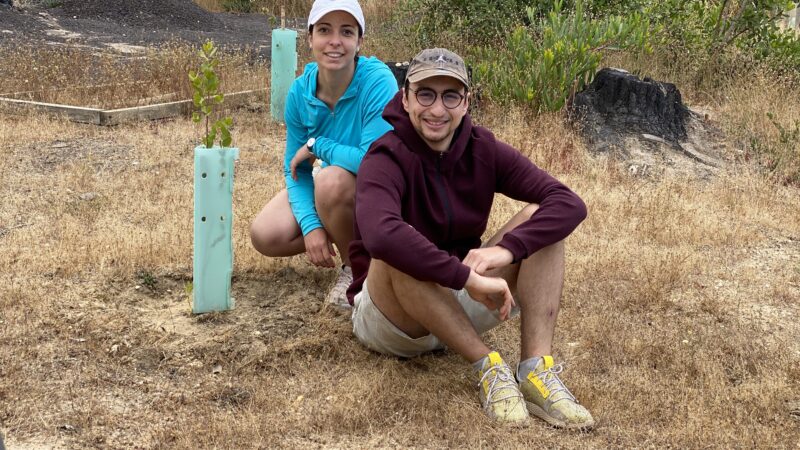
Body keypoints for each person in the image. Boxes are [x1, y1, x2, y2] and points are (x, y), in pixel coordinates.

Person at [347, 48, 595, 429]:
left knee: (541, 221)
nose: (437, 109)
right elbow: (381, 235)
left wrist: (505, 250)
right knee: (398, 245)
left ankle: (535, 370)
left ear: (466, 102)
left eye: (451, 95)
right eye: (426, 93)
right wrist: (467, 278)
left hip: (456, 304)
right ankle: (488, 366)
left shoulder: (484, 149)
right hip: (392, 320)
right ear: (406, 98)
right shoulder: (385, 157)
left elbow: (568, 202)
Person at [250, 0, 398, 307]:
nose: (335, 41)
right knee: (265, 234)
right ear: (310, 38)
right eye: (324, 30)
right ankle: (339, 226)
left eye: (346, 32)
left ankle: (356, 272)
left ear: (360, 42)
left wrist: (318, 146)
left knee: (331, 180)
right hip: (338, 186)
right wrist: (311, 226)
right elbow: (295, 170)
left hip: (386, 188)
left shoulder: (377, 80)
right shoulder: (299, 93)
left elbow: (373, 162)